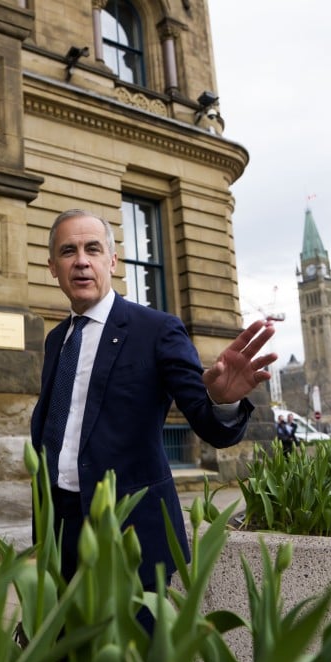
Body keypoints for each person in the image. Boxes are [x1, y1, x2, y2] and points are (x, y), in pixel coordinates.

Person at [30, 208, 277, 617]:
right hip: (61, 528)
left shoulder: (156, 329)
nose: (81, 261)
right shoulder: (57, 339)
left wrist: (221, 399)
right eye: (68, 251)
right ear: (53, 267)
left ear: (112, 260)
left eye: (93, 249)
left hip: (133, 535)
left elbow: (207, 422)